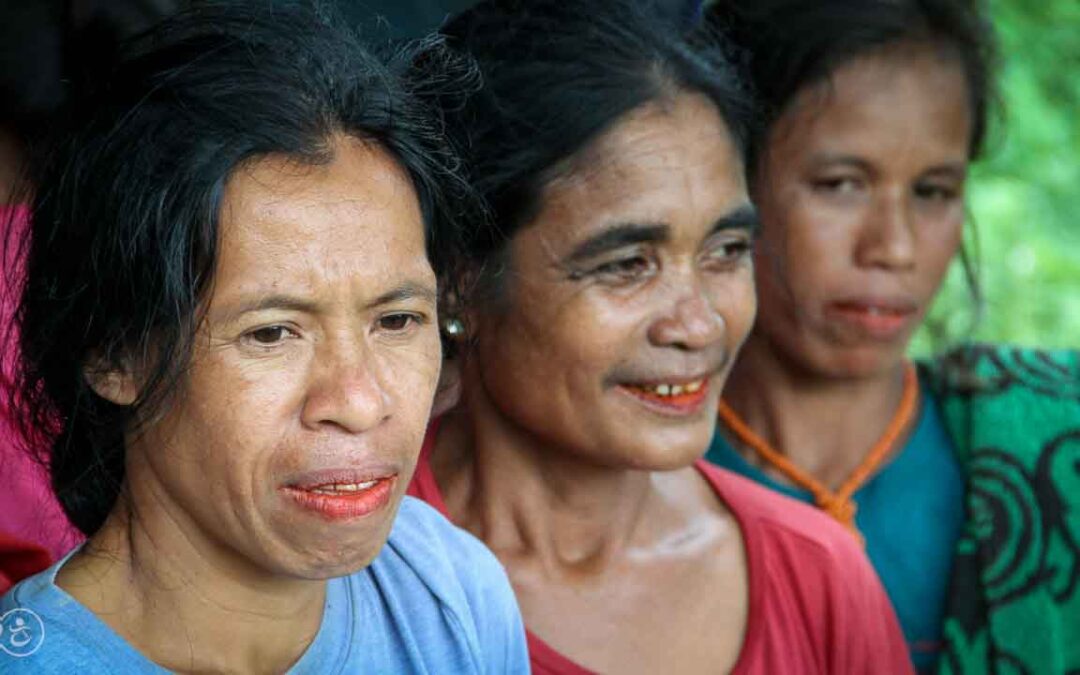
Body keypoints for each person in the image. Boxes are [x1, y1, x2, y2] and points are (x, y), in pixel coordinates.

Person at [0, 4, 528, 672]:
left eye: (397, 320)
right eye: (272, 332)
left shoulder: (447, 593)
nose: (361, 402)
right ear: (114, 350)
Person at [407, 1, 913, 672]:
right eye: (626, 263)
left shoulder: (818, 576)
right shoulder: (358, 572)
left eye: (727, 250)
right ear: (460, 280)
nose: (699, 323)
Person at [701, 1, 1080, 672]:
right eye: (841, 184)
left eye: (933, 191)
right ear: (731, 177)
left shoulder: (1052, 444)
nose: (894, 247)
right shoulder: (641, 478)